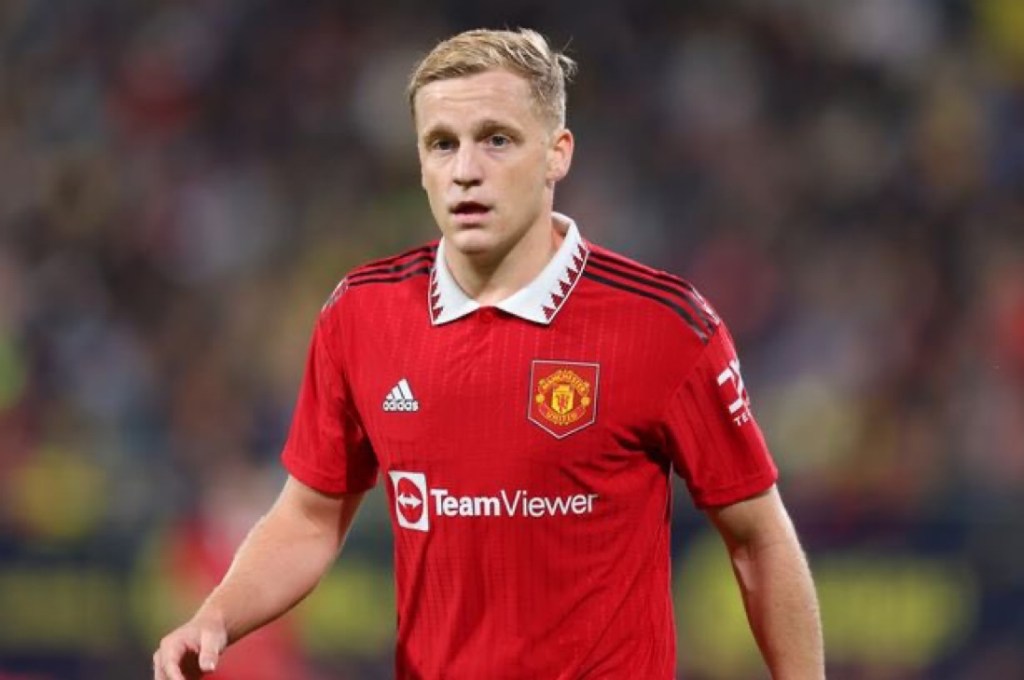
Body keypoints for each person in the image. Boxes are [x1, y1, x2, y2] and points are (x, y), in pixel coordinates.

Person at [153, 27, 824, 680]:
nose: (466, 171)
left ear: (557, 154)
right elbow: (308, 518)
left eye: (496, 140)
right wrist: (216, 618)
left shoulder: (664, 325)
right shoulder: (361, 315)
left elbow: (758, 538)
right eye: (442, 144)